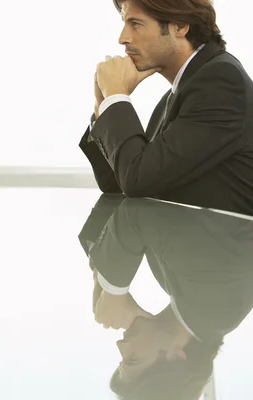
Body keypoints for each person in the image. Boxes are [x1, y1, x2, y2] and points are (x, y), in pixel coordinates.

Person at [79, 0, 253, 216]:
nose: (122, 38)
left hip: (217, 249)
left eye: (135, 23)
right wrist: (102, 102)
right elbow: (116, 183)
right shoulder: (178, 94)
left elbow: (137, 180)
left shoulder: (220, 83)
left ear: (180, 26)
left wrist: (116, 95)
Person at [79, 195, 253, 399]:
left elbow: (117, 195)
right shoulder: (218, 309)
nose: (121, 346)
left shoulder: (178, 291)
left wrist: (100, 277)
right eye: (133, 359)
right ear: (177, 358)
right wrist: (114, 290)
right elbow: (137, 210)